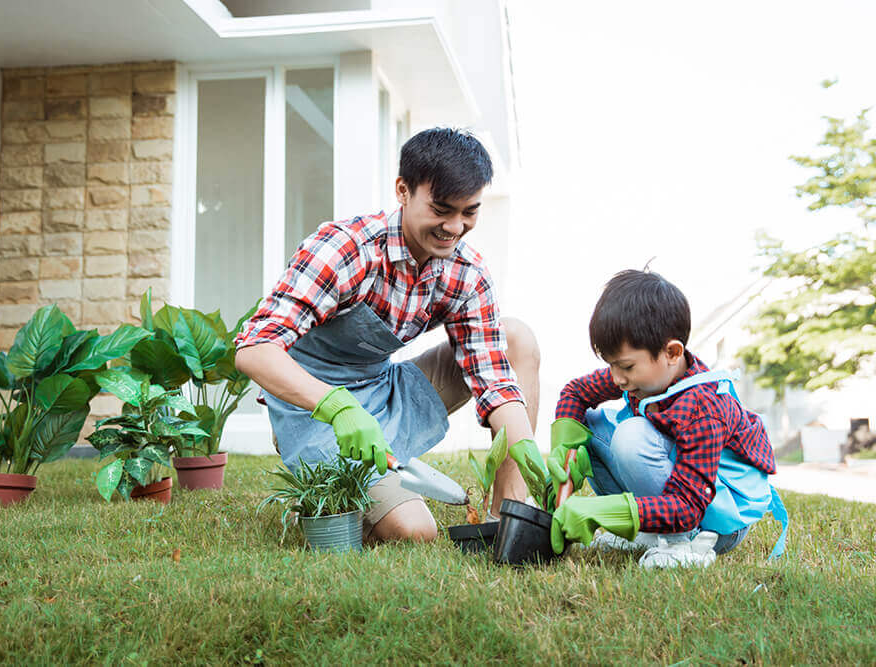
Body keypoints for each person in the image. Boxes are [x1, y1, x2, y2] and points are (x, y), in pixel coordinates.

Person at [235, 128, 547, 543]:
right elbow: (254, 349)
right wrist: (337, 407)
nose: (455, 227)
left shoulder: (465, 272)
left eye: (469, 212)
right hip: (314, 410)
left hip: (384, 389)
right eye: (441, 209)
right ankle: (322, 496)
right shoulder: (347, 249)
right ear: (403, 190)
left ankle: (506, 522)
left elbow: (493, 376)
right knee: (414, 532)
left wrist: (525, 447)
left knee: (516, 338)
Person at [545, 270, 788, 568]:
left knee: (631, 437)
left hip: (713, 523)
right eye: (611, 366)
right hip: (676, 498)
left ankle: (684, 544)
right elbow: (576, 392)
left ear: (672, 352)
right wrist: (563, 448)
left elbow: (688, 505)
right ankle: (651, 532)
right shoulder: (642, 375)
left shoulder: (704, 407)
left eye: (626, 366)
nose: (617, 379)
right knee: (591, 427)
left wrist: (602, 511)